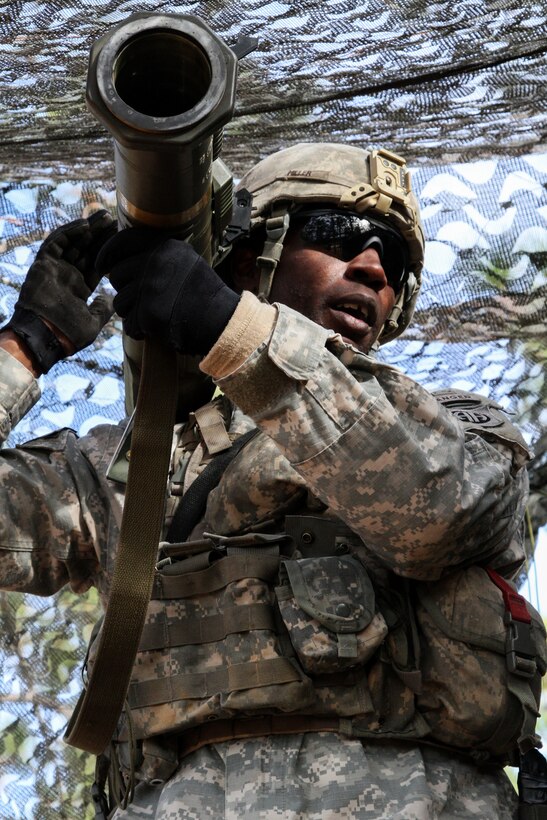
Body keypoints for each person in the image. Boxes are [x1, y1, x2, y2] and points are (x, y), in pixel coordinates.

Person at [0, 142, 544, 820]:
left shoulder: (458, 426)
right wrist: (25, 346)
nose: (372, 268)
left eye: (391, 258)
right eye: (333, 235)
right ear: (248, 255)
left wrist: (235, 333)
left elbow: (436, 510)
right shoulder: (135, 470)